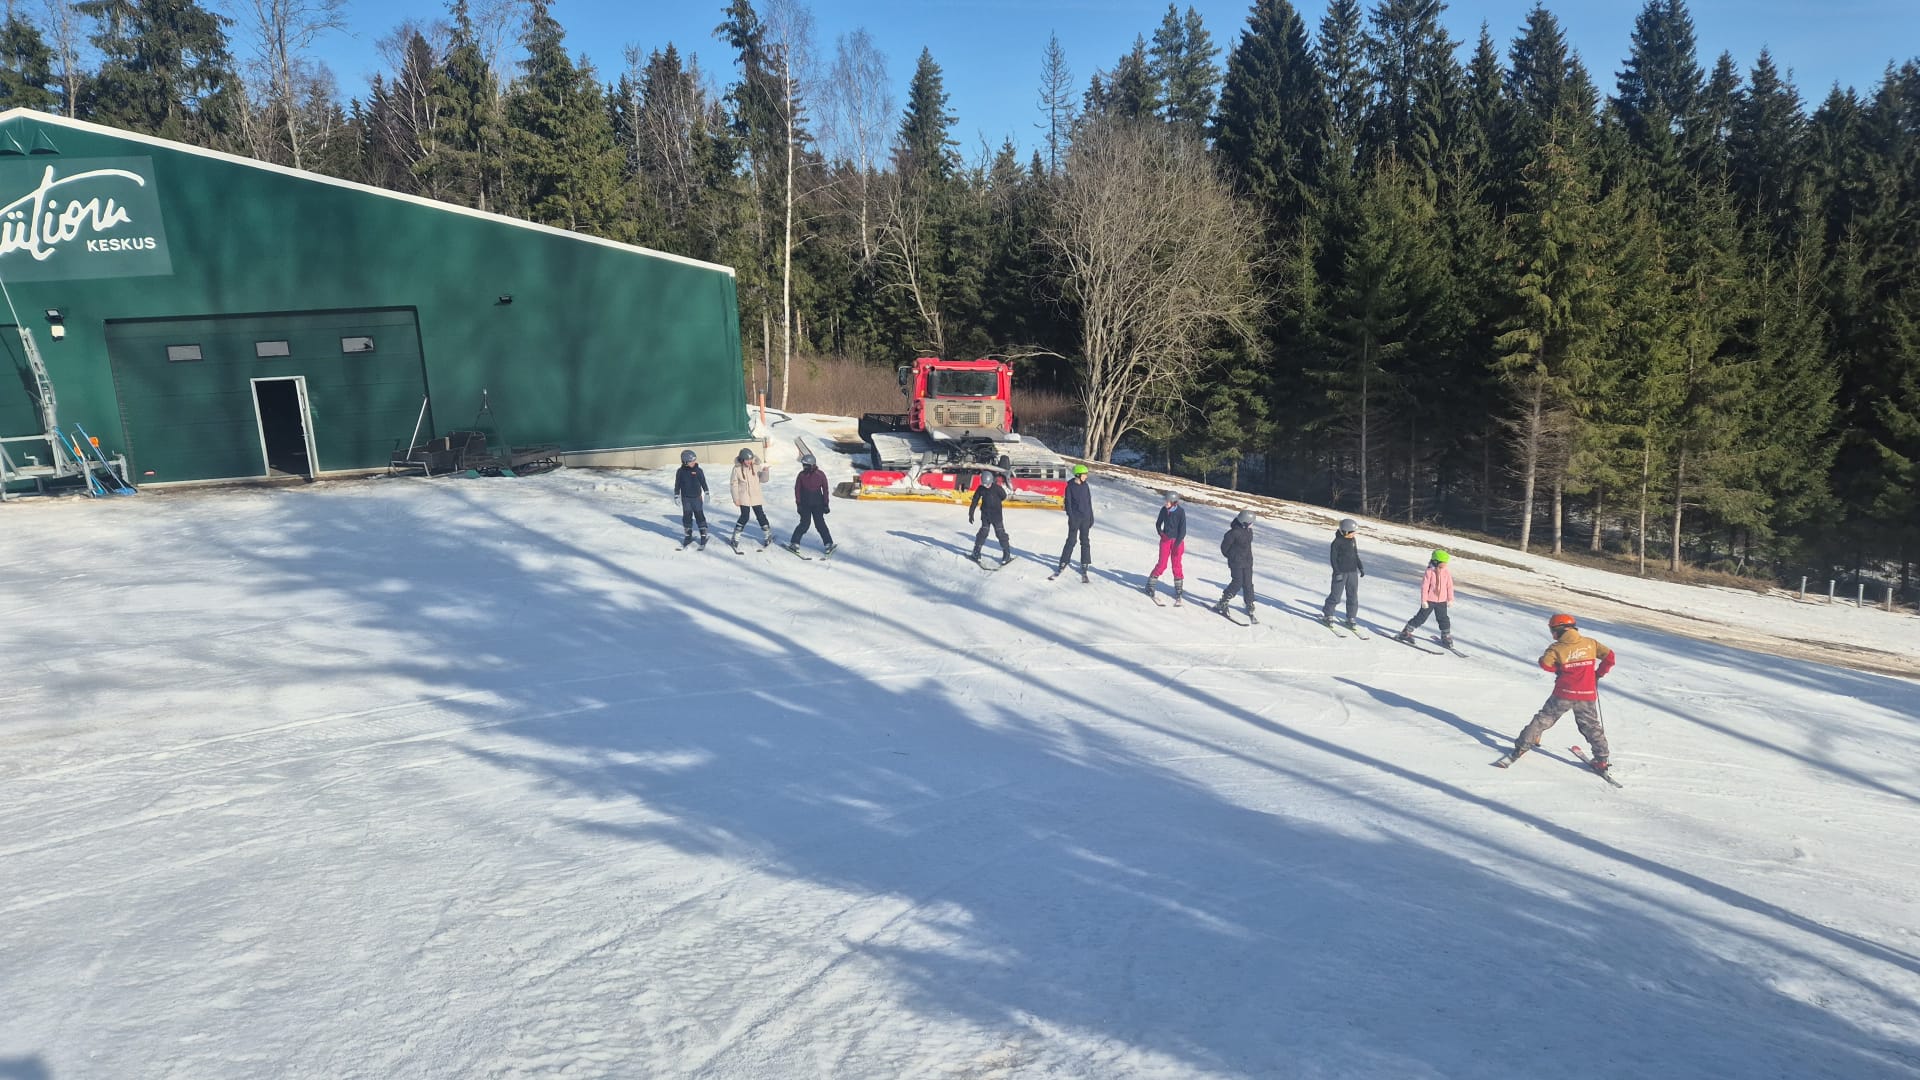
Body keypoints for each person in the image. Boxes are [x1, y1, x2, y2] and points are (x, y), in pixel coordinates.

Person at [1508, 613, 1617, 770]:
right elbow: (1610, 657)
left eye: (1552, 630)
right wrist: (1597, 674)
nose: (1552, 634)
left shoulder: (1557, 648)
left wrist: (1559, 668)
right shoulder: (1590, 643)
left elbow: (1545, 664)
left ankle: (1522, 746)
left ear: (1558, 630)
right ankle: (1601, 759)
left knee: (1543, 719)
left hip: (1564, 693)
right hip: (1586, 694)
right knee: (1592, 726)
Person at [1396, 549, 1455, 647]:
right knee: (1421, 618)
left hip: (1442, 601)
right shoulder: (1429, 572)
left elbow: (1449, 586)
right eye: (1443, 562)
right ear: (1436, 562)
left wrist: (1450, 599)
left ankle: (1446, 636)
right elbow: (1425, 587)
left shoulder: (1446, 572)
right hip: (1429, 600)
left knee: (1443, 619)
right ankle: (1406, 632)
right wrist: (1424, 600)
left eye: (1446, 563)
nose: (1445, 564)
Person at [1211, 510, 1258, 622]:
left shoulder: (1249, 531)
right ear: (1244, 522)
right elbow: (1224, 548)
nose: (1252, 525)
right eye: (1251, 523)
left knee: (1248, 583)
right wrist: (1233, 557)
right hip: (1236, 562)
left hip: (1247, 561)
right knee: (1237, 582)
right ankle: (1223, 602)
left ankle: (1249, 602)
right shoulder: (1232, 533)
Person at [1320, 518, 1364, 628]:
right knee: (1336, 596)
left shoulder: (1353, 540)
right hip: (1340, 573)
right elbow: (1333, 559)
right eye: (1352, 532)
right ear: (1345, 531)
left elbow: (1355, 554)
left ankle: (1351, 617)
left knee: (1352, 596)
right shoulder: (1337, 542)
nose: (1354, 534)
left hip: (1352, 572)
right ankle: (1328, 615)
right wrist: (1337, 572)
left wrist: (1360, 567)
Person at [1144, 491, 1187, 603]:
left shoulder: (1180, 512)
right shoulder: (1163, 510)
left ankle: (1178, 589)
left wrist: (1177, 544)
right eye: (1165, 501)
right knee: (1162, 564)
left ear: (1174, 502)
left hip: (1177, 542)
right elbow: (1158, 524)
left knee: (1177, 565)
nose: (1165, 503)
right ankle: (1150, 586)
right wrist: (1161, 534)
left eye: (1168, 502)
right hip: (1166, 540)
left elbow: (1183, 530)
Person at [788, 453, 835, 555]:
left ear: (812, 465)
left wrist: (826, 504)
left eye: (806, 466)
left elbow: (825, 489)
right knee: (804, 524)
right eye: (803, 465)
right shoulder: (801, 475)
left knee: (820, 524)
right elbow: (797, 489)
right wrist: (798, 504)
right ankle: (794, 543)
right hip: (805, 504)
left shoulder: (820, 474)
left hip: (818, 504)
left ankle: (828, 543)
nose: (804, 467)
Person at [728, 447, 774, 548]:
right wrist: (736, 498)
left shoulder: (756, 466)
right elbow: (733, 484)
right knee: (744, 516)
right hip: (743, 497)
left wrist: (765, 472)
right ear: (742, 459)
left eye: (750, 459)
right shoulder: (736, 469)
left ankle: (768, 535)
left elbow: (763, 480)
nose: (749, 461)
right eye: (747, 460)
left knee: (760, 515)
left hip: (755, 496)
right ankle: (735, 537)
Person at [1056, 464, 1093, 581]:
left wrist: (1091, 517)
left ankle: (1085, 563)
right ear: (1078, 475)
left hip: (1085, 518)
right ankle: (1064, 561)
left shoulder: (1086, 486)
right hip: (1075, 518)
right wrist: (1071, 517)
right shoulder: (1070, 487)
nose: (1086, 476)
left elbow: (1089, 502)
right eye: (1084, 474)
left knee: (1085, 541)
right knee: (1071, 540)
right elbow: (1068, 504)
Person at [969, 472, 1013, 564]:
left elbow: (1003, 496)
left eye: (988, 484)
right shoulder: (981, 489)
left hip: (996, 515)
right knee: (983, 532)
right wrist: (971, 513)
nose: (986, 486)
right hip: (985, 514)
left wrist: (995, 502)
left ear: (991, 481)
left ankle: (1007, 553)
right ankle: (976, 551)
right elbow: (975, 499)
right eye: (984, 484)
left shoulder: (997, 488)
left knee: (1000, 533)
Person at [673, 449, 708, 545]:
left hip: (697, 498)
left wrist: (707, 492)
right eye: (691, 461)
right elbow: (677, 484)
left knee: (699, 515)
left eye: (694, 460)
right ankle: (688, 535)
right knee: (687, 516)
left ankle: (703, 534)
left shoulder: (698, 471)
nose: (694, 463)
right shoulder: (680, 472)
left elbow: (703, 482)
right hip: (686, 498)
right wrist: (676, 495)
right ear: (685, 462)